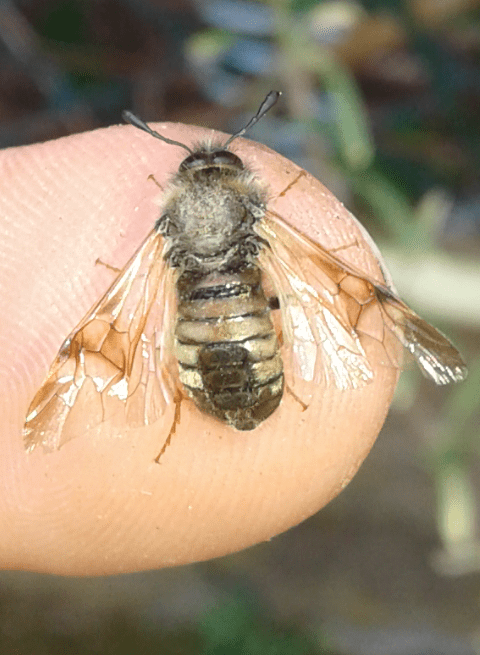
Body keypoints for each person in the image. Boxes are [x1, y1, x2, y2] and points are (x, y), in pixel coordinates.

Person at [0, 119, 398, 575]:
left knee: (148, 328)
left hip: (204, 355)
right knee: (281, 293)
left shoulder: (166, 230)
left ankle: (173, 411)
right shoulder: (259, 215)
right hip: (255, 358)